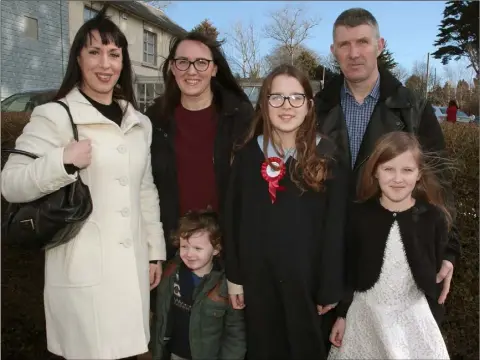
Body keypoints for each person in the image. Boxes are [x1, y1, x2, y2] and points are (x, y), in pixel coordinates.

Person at [1, 8, 165, 360]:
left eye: (114, 54)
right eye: (94, 52)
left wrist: (154, 252)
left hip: (132, 270)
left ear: (123, 62)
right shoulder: (55, 115)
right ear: (78, 58)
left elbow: (144, 190)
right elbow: (11, 184)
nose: (105, 64)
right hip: (82, 273)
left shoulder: (139, 123)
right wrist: (62, 160)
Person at [315, 8, 460, 346]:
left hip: (395, 258)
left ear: (379, 44)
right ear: (334, 50)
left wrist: (449, 252)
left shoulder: (412, 107)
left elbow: (441, 183)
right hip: (333, 256)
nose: (354, 53)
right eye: (344, 44)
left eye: (362, 42)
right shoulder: (317, 107)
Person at [224, 64, 349, 360]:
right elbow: (232, 219)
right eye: (276, 97)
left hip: (308, 286)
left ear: (308, 104)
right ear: (264, 104)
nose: (286, 106)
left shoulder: (328, 156)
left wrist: (331, 286)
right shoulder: (247, 156)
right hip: (259, 283)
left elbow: (338, 227)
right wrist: (234, 276)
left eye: (295, 97)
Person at [328, 131, 452, 359]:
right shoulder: (359, 215)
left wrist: (433, 314)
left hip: (412, 318)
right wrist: (342, 314)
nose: (398, 178)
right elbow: (349, 269)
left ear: (418, 174)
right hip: (365, 316)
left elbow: (439, 258)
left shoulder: (432, 217)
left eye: (407, 170)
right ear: (375, 171)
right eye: (388, 169)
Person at [145, 31, 254, 261]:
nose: (191, 71)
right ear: (173, 68)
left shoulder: (241, 118)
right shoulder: (153, 120)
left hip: (226, 252)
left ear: (214, 69)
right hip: (171, 250)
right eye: (183, 62)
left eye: (201, 63)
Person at [151, 209, 246, 360]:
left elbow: (235, 332)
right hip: (173, 353)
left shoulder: (226, 284)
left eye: (198, 248)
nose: (189, 254)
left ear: (216, 249)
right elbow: (160, 316)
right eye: (184, 247)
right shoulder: (170, 272)